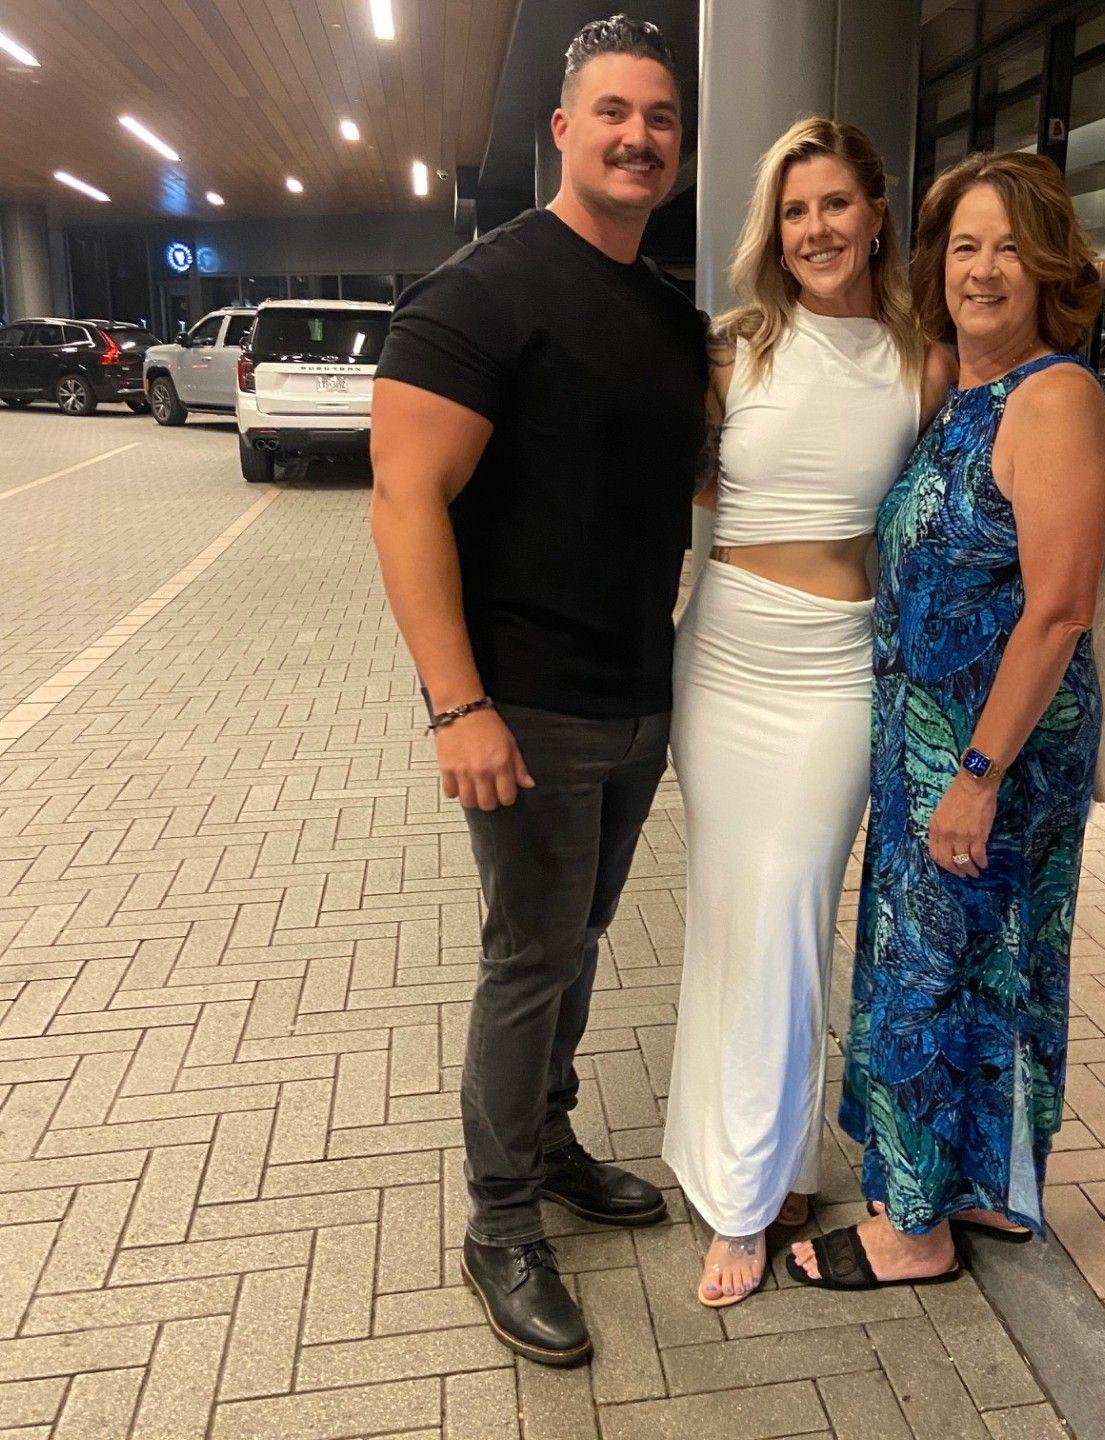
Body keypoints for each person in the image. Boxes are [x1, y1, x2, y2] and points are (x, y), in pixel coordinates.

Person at [368, 16, 707, 1365]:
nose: (639, 136)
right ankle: (499, 1222)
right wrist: (458, 706)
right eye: (613, 112)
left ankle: (551, 1141)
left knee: (576, 943)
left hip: (639, 700)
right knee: (529, 959)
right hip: (525, 712)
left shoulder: (670, 316)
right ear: (562, 130)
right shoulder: (479, 294)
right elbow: (404, 501)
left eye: (661, 118)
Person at [789, 150, 1105, 1291]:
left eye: (1010, 248)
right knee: (986, 968)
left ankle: (914, 1230)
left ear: (1050, 267)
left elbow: (1060, 607)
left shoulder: (1053, 396)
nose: (983, 270)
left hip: (988, 751)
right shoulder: (964, 393)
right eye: (965, 246)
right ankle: (986, 1188)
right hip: (937, 740)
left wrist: (975, 774)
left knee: (935, 971)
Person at [663, 118, 953, 1307]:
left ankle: (745, 1191)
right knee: (735, 918)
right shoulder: (734, 350)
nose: (816, 228)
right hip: (727, 657)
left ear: (875, 214)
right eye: (794, 211)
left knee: (789, 910)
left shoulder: (923, 359)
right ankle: (762, 1174)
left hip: (837, 668)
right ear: (772, 231)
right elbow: (690, 481)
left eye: (835, 204)